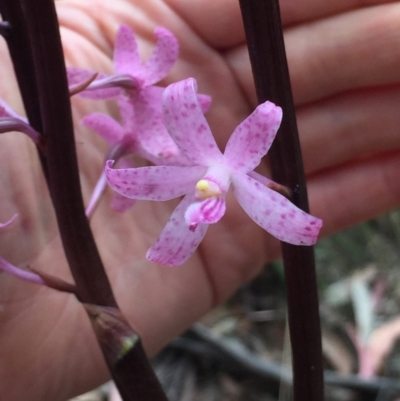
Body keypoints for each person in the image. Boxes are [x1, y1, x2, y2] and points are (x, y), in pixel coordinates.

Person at [1, 0, 400, 399]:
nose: (206, 191)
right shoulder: (200, 179)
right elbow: (135, 182)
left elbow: (298, 224)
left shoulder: (238, 185)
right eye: (206, 190)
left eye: (208, 190)